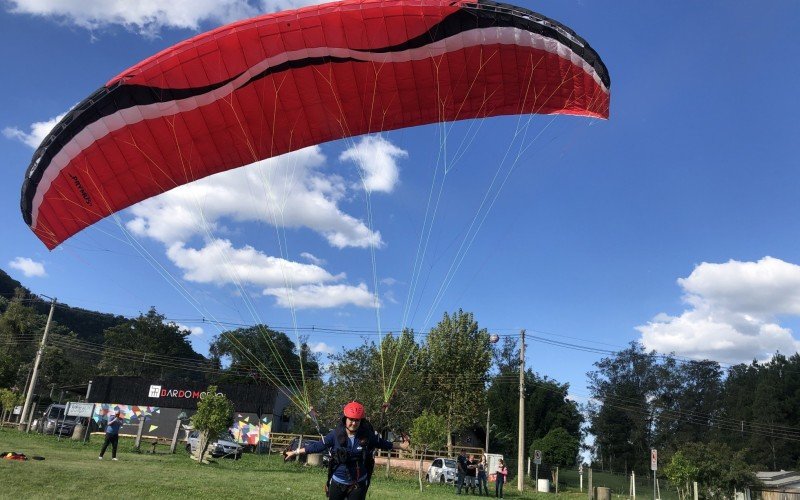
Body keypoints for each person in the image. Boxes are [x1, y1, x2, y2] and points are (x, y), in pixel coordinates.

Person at [284, 401, 409, 500]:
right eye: (351, 419)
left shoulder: (367, 435)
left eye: (357, 420)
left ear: (361, 420)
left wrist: (402, 446)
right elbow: (317, 446)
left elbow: (384, 444)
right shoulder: (335, 435)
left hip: (358, 484)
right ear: (345, 419)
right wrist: (294, 452)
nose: (354, 423)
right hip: (338, 483)